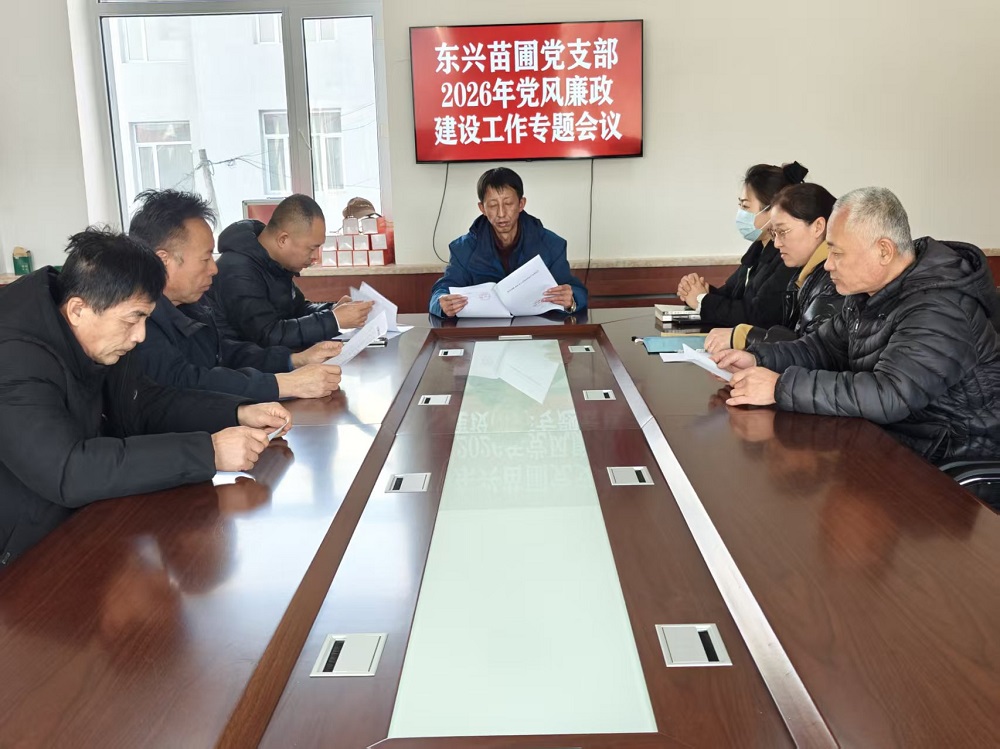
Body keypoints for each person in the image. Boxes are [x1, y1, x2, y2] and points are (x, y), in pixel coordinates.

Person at [0, 228, 291, 568]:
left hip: (87, 520)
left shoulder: (101, 331)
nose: (140, 336)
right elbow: (68, 470)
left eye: (146, 319)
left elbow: (144, 401)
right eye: (133, 319)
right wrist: (208, 451)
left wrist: (237, 411)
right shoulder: (13, 356)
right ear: (78, 310)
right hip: (22, 553)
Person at [715, 186, 1000, 464]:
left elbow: (890, 394)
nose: (828, 265)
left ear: (884, 251)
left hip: (949, 458)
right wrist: (758, 358)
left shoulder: (940, 307)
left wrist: (780, 387)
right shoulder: (869, 295)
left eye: (837, 253)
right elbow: (820, 348)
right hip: (891, 440)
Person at [128, 189, 343, 401]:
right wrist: (284, 384)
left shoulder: (192, 305)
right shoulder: (138, 324)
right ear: (163, 261)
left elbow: (225, 353)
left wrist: (294, 360)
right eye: (205, 259)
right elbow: (188, 382)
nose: (214, 269)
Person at [207, 194, 374, 348]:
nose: (316, 257)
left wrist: (333, 310)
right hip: (244, 367)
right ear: (283, 240)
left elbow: (298, 311)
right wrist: (333, 320)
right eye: (312, 248)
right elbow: (268, 335)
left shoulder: (273, 262)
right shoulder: (238, 271)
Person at [430, 167, 587, 317]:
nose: (501, 213)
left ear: (521, 204)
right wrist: (442, 304)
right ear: (482, 208)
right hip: (482, 330)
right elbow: (441, 291)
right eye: (493, 205)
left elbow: (575, 291)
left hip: (538, 328)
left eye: (508, 203)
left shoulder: (552, 245)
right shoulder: (463, 249)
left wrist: (571, 300)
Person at [704, 183, 843, 352]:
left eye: (783, 232)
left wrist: (744, 337)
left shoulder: (834, 280)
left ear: (818, 227)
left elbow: (814, 353)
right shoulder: (805, 276)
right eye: (774, 234)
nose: (776, 244)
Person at [677, 162, 806, 327]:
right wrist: (700, 292)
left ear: (773, 210)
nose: (741, 213)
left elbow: (757, 316)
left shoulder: (787, 256)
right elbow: (732, 295)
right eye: (740, 206)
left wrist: (703, 300)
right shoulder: (757, 250)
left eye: (745, 206)